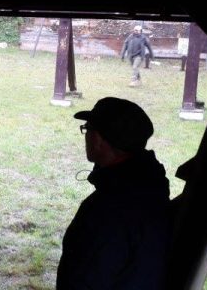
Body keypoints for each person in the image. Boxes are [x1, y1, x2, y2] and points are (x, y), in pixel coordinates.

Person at [57, 97, 170, 290]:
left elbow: (84, 281)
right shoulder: (151, 187)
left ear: (97, 140)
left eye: (87, 129)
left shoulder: (105, 211)